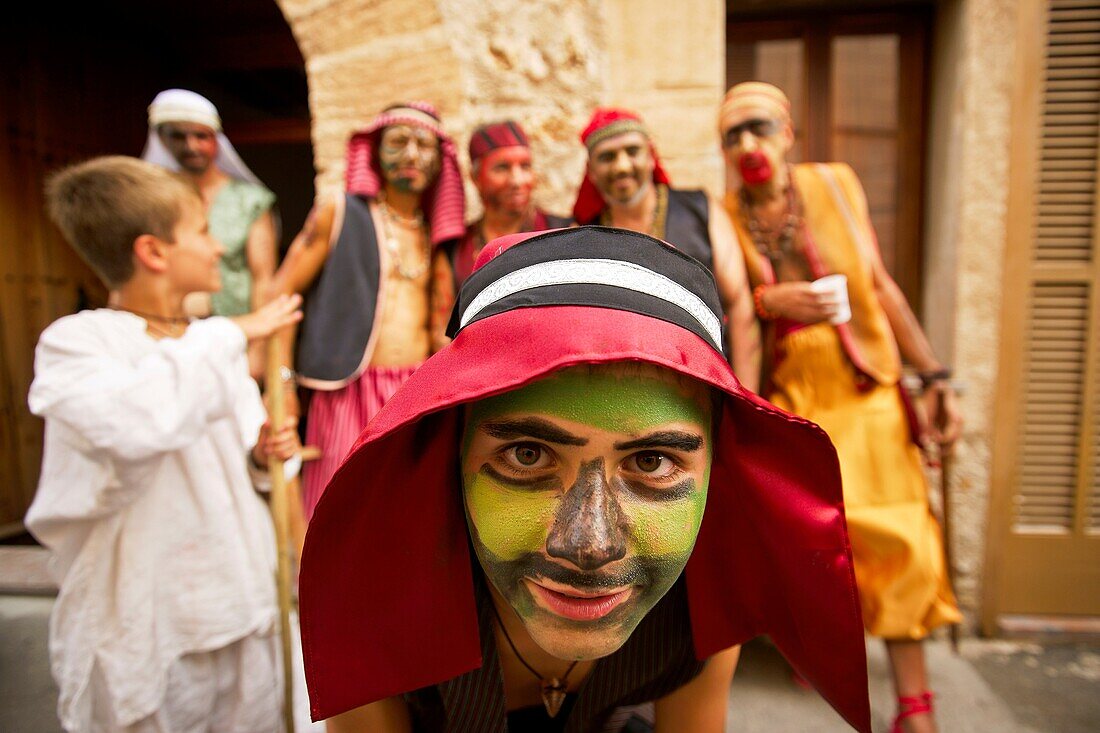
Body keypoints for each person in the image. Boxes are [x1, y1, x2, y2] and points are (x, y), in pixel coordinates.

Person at [297, 226, 872, 733]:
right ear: (452, 456)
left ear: (716, 473)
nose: (589, 545)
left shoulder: (704, 601)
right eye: (527, 455)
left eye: (651, 463)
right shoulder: (379, 594)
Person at [718, 81, 964, 733]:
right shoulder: (726, 211)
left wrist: (933, 371)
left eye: (759, 127)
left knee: (899, 532)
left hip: (866, 383)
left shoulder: (835, 183)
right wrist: (777, 303)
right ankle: (825, 643)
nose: (748, 144)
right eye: (732, 135)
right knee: (817, 533)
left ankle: (915, 703)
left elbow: (879, 285)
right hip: (797, 390)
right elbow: (740, 306)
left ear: (788, 132)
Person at [26, 156, 303, 732]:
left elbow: (237, 465)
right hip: (152, 621)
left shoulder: (209, 346)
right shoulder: (79, 344)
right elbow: (138, 424)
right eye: (202, 231)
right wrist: (235, 330)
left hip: (238, 599)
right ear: (154, 252)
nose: (216, 247)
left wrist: (259, 455)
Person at [271, 101, 465, 519]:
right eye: (398, 142)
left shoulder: (440, 233)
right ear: (374, 150)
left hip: (417, 392)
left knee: (407, 517)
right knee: (338, 513)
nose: (411, 155)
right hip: (347, 389)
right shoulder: (338, 214)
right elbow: (280, 295)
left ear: (439, 160)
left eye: (423, 145)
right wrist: (283, 385)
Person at [571, 108, 760, 392]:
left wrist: (744, 396)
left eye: (632, 151)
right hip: (621, 393)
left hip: (706, 385)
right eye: (607, 157)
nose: (622, 166)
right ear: (592, 172)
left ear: (650, 157)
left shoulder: (700, 210)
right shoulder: (584, 235)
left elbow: (739, 303)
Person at [447, 120, 572, 288]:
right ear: (475, 177)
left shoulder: (564, 233)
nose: (516, 181)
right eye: (502, 168)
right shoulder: (455, 251)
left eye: (525, 166)